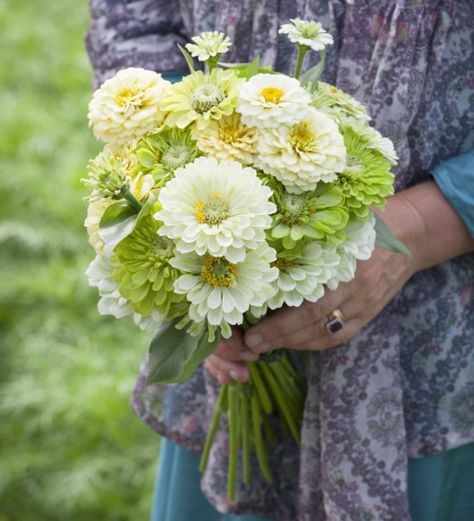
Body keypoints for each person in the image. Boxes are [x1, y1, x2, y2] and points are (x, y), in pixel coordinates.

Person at [86, 1, 474, 520]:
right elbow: (133, 18)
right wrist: (186, 230)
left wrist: (420, 227)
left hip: (432, 343)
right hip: (224, 347)